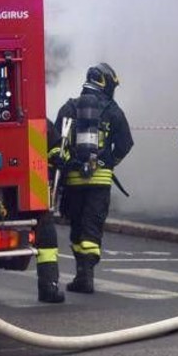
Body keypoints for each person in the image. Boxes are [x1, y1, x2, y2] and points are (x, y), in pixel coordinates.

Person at [52, 63, 134, 293]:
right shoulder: (113, 110)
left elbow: (57, 143)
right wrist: (108, 162)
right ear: (105, 83)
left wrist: (68, 164)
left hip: (74, 181)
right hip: (100, 180)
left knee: (78, 225)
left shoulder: (69, 107)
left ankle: (82, 275)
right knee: (92, 226)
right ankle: (87, 274)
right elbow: (126, 144)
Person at [35, 119, 65, 303]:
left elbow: (56, 149)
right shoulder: (39, 121)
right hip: (36, 183)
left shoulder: (41, 123)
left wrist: (55, 158)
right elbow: (57, 148)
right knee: (46, 238)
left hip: (34, 182)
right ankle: (48, 287)